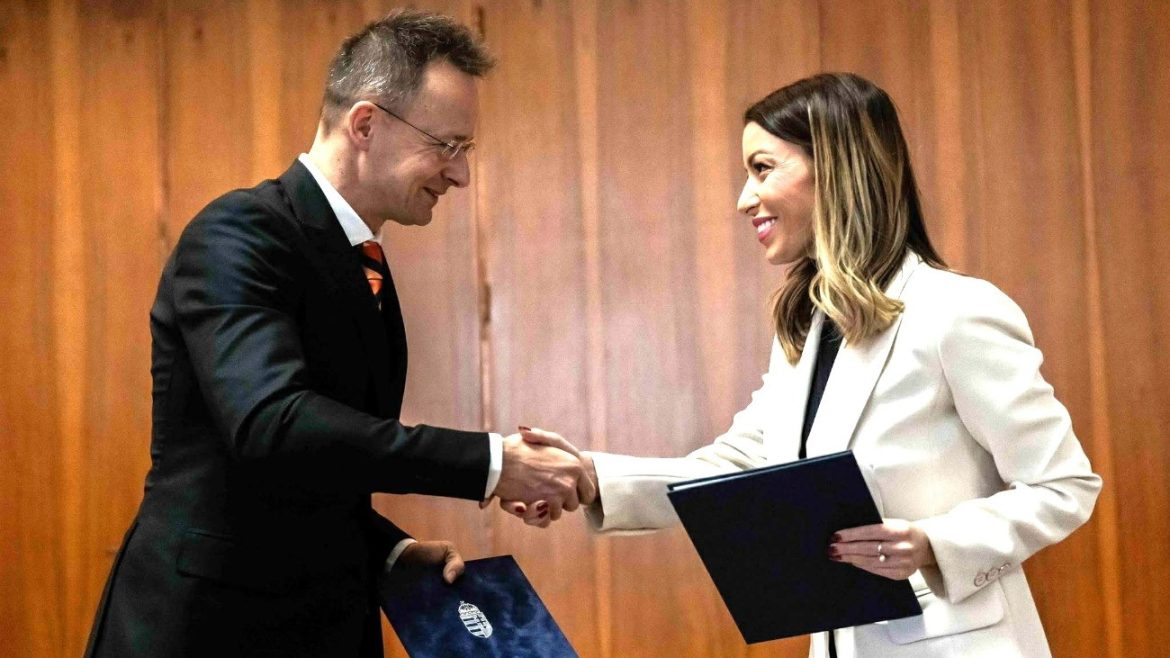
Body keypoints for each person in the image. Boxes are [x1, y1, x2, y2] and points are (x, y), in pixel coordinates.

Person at [499, 73, 1101, 657]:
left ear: (834, 168)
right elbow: (739, 466)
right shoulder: (810, 328)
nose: (744, 200)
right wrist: (589, 476)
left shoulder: (956, 311)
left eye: (762, 169)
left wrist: (932, 543)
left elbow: (1064, 486)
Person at [85, 10, 593, 657]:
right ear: (365, 124)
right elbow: (272, 426)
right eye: (448, 146)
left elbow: (312, 476)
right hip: (210, 628)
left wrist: (389, 550)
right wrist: (493, 464)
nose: (460, 174)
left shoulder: (364, 261)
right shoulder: (238, 233)